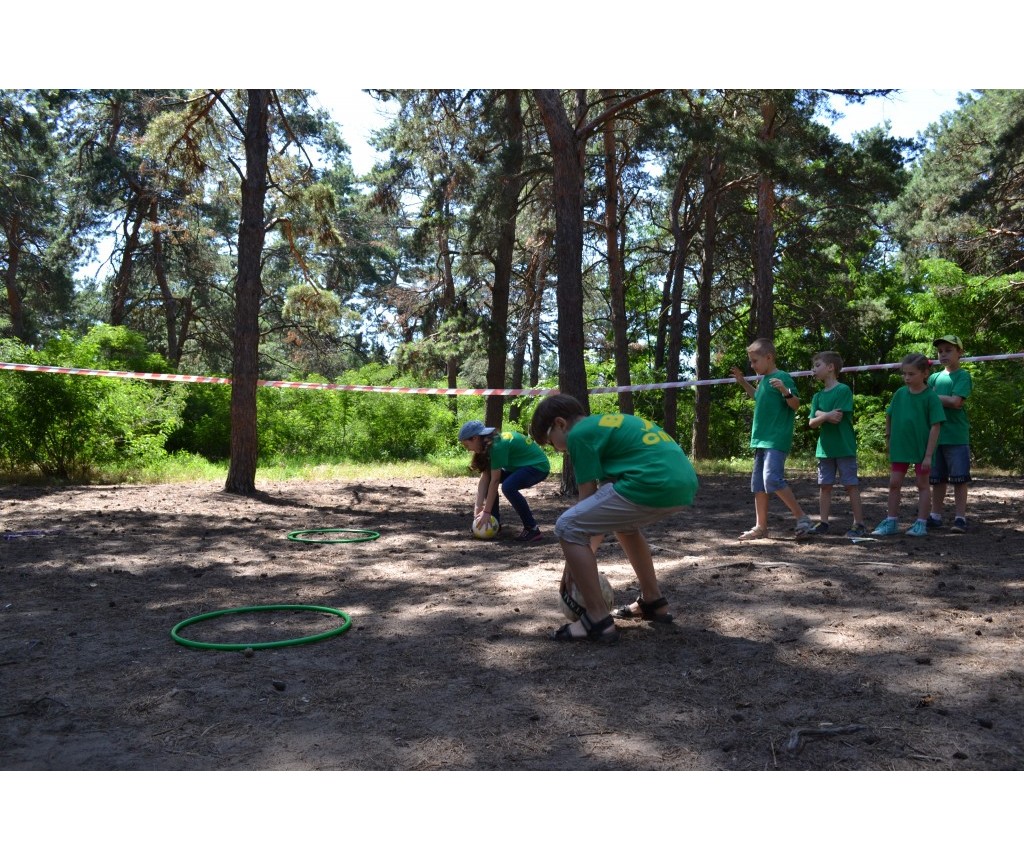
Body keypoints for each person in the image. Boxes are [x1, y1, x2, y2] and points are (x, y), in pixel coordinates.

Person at [529, 394, 698, 644]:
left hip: (651, 482)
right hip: (682, 484)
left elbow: (586, 501)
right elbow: (597, 516)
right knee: (624, 527)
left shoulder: (579, 434)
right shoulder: (606, 425)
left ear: (560, 424)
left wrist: (571, 568)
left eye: (550, 442)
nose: (556, 449)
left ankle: (597, 618)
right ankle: (653, 601)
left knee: (566, 526)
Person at [730, 338, 813, 540]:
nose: (752, 365)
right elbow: (757, 397)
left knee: (771, 479)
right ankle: (761, 527)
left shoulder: (782, 377)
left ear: (768, 357)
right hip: (760, 440)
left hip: (776, 439)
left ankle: (802, 517)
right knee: (759, 484)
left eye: (755, 361)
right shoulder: (764, 380)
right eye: (750, 361)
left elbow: (795, 405)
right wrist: (743, 382)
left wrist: (785, 390)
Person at [871, 353, 945, 537]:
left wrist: (928, 455)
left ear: (925, 373)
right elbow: (889, 415)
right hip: (900, 447)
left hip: (922, 449)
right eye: (904, 374)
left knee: (922, 484)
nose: (907, 378)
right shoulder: (899, 394)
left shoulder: (931, 397)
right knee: (894, 483)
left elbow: (936, 426)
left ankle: (921, 523)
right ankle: (891, 521)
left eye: (911, 374)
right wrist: (888, 438)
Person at [806, 351, 867, 538]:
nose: (813, 369)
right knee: (825, 486)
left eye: (817, 365)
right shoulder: (817, 396)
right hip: (825, 450)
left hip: (844, 447)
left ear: (830, 367)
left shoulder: (843, 390)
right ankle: (823, 523)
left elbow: (837, 417)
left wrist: (820, 414)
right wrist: (824, 415)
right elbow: (812, 423)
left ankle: (859, 524)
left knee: (850, 485)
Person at [458, 419, 550, 541]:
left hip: (538, 467)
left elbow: (495, 481)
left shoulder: (496, 446)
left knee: (508, 487)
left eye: (467, 445)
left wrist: (486, 512)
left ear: (475, 438)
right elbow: (485, 479)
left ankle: (532, 528)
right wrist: (478, 509)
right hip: (520, 467)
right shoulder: (487, 445)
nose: (468, 449)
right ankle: (493, 523)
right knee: (496, 483)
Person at [927, 335, 973, 533]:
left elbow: (956, 402)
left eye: (948, 350)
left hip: (956, 436)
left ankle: (960, 518)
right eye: (940, 351)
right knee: (937, 479)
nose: (943, 354)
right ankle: (935, 516)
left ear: (959, 352)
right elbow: (924, 404)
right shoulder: (933, 378)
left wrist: (932, 397)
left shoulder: (963, 376)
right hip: (935, 437)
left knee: (959, 479)